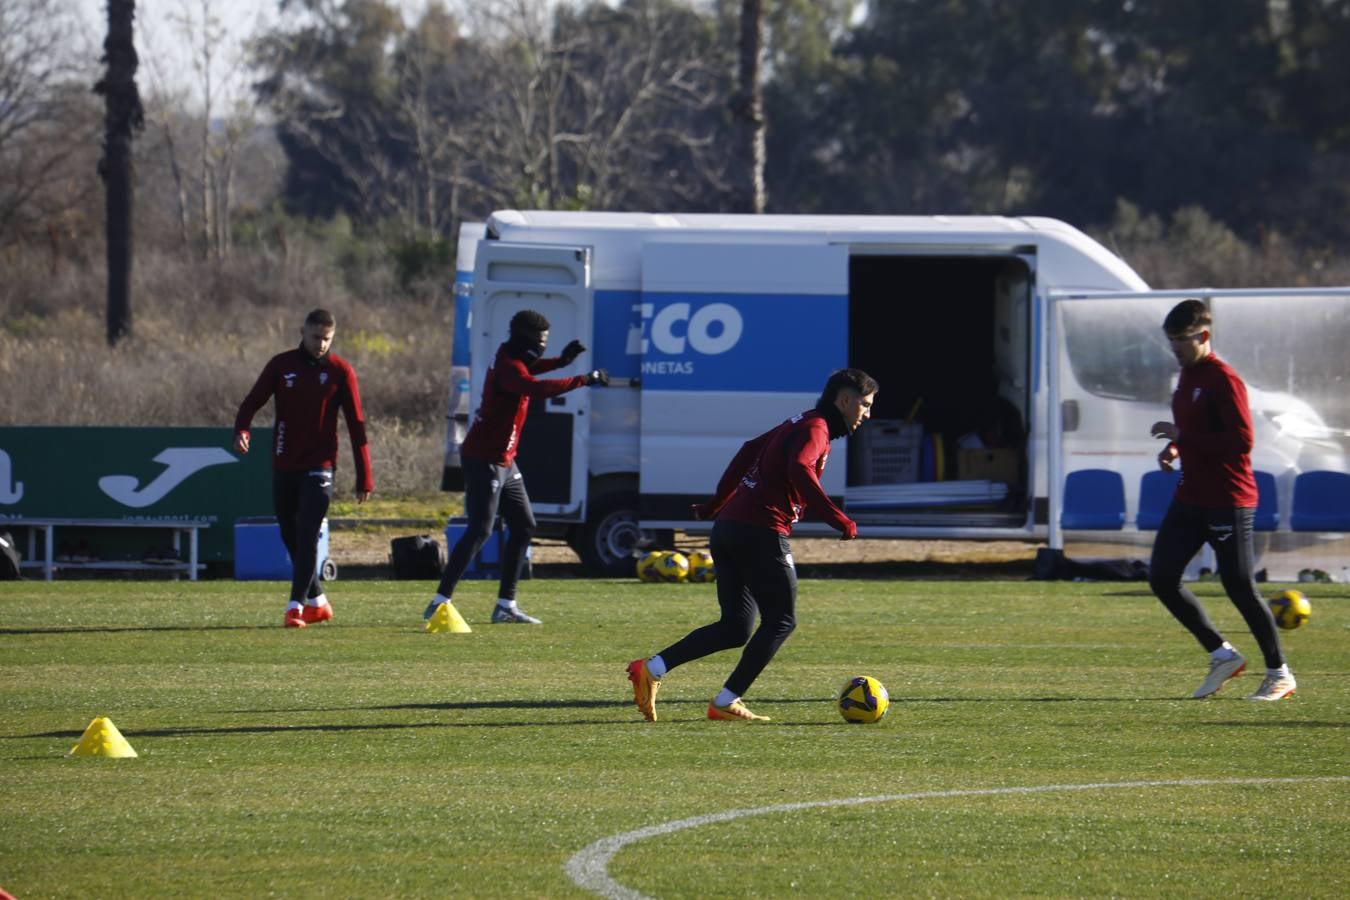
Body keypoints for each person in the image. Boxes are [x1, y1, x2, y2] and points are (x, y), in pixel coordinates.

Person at [627, 368, 879, 722]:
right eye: (865, 405)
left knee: (736, 627)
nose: (866, 414)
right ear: (845, 400)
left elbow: (749, 450)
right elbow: (800, 468)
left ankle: (651, 668)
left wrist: (717, 503)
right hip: (761, 532)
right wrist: (838, 518)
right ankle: (726, 700)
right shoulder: (816, 428)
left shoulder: (801, 422)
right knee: (782, 621)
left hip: (729, 527)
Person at [1147, 299, 1295, 701]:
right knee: (1162, 577)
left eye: (1181, 339)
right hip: (1190, 495)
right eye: (1171, 340)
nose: (1175, 347)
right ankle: (1222, 654)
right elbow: (1195, 430)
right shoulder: (1187, 376)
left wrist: (1182, 438)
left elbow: (1242, 441)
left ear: (1203, 335)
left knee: (1239, 586)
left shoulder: (1223, 379)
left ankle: (1279, 673)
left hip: (1228, 499)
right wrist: (1175, 451)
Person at [423, 309, 608, 625]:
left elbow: (532, 368)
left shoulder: (512, 356)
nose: (543, 346)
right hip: (485, 459)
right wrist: (582, 379)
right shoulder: (509, 367)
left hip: (505, 461)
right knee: (480, 529)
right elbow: (534, 387)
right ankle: (440, 601)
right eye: (541, 341)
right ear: (527, 339)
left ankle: (505, 605)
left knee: (524, 525)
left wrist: (562, 361)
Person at [234, 308, 374, 628]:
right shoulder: (282, 366)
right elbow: (250, 403)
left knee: (307, 534)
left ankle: (295, 607)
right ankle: (319, 601)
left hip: (320, 466)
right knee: (289, 534)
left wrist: (365, 475)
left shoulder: (341, 371)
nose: (321, 344)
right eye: (315, 337)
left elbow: (357, 427)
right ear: (303, 332)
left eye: (327, 339)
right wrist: (242, 430)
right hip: (285, 463)